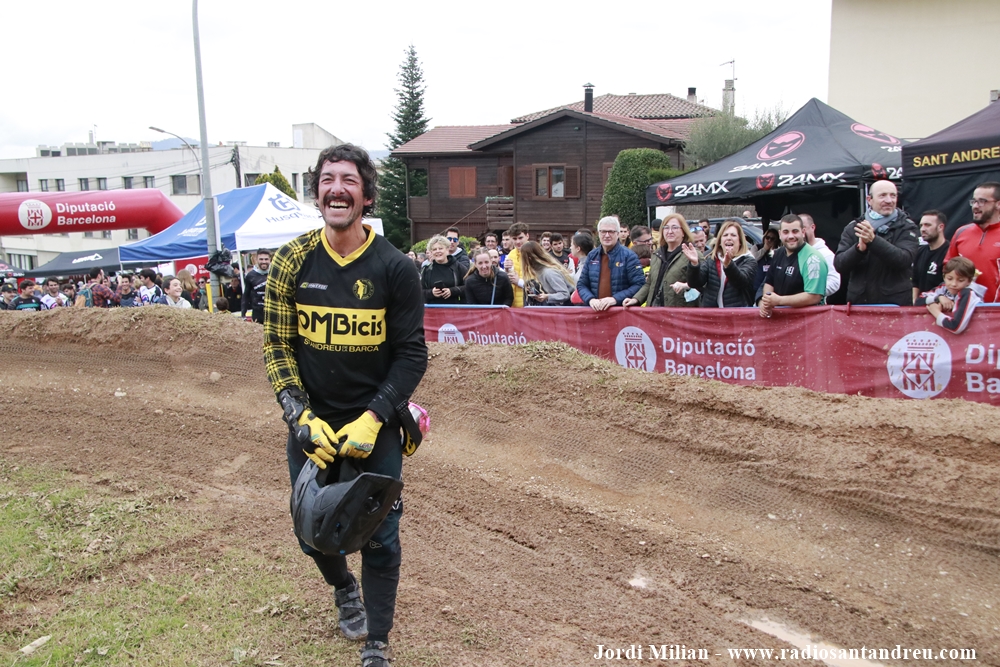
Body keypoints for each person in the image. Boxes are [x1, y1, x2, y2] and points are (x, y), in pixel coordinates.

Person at [264, 143, 427, 667]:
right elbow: (277, 344)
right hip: (313, 426)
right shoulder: (291, 260)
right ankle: (342, 588)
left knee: (381, 538)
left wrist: (375, 417)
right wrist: (298, 414)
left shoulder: (395, 267)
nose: (337, 189)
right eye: (328, 179)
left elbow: (412, 355)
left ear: (366, 195)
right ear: (317, 193)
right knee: (312, 532)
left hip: (374, 426)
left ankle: (377, 642)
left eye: (349, 180)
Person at [833, 180, 918, 305]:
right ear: (869, 200)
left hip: (895, 305)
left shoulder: (907, 227)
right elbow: (839, 265)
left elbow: (904, 260)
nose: (889, 200)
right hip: (860, 304)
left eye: (893, 195)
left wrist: (873, 241)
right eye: (882, 195)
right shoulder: (853, 227)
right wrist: (858, 250)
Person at [759, 214, 828, 318]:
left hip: (808, 321)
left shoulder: (813, 259)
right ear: (780, 234)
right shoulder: (778, 253)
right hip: (781, 321)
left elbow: (814, 296)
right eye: (786, 232)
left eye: (795, 231)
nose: (791, 236)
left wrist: (779, 300)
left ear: (803, 232)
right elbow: (769, 282)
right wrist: (767, 302)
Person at [624, 213, 697, 308]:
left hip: (679, 311)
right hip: (654, 311)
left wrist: (686, 285)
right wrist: (636, 299)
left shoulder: (692, 254)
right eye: (666, 228)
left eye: (674, 227)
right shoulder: (656, 254)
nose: (670, 231)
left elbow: (701, 284)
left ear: (683, 232)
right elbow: (650, 283)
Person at [945, 182, 1000, 303]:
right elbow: (948, 268)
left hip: (996, 309)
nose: (975, 206)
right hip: (964, 308)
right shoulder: (961, 232)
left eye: (982, 201)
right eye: (974, 201)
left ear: (998, 204)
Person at [684, 219, 758, 307]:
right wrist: (694, 264)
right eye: (725, 235)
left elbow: (741, 282)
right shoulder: (711, 259)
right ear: (720, 241)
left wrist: (729, 265)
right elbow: (695, 283)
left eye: (733, 235)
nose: (729, 238)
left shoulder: (749, 260)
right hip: (713, 314)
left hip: (736, 314)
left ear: (740, 242)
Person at [578, 216, 645, 311]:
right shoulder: (592, 256)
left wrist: (615, 299)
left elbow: (639, 284)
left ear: (617, 234)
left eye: (611, 232)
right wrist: (590, 299)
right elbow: (582, 284)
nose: (607, 235)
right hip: (595, 312)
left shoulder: (629, 256)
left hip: (620, 312)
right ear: (598, 233)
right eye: (603, 231)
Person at [922, 257, 984, 334]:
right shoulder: (943, 288)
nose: (954, 284)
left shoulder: (968, 293)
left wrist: (936, 312)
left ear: (969, 281)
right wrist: (938, 298)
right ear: (944, 277)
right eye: (950, 279)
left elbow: (956, 327)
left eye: (960, 280)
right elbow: (918, 301)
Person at [513, 241, 575, 306]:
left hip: (562, 308)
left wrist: (547, 297)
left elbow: (565, 294)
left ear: (529, 258)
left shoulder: (549, 272)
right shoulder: (538, 271)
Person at [912, 210, 950, 305]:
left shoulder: (950, 252)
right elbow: (915, 282)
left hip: (942, 306)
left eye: (927, 225)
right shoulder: (920, 251)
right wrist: (914, 301)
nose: (922, 229)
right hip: (921, 305)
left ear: (940, 227)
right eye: (921, 225)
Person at [799, 213, 841, 298]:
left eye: (803, 228)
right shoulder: (790, 253)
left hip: (815, 304)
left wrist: (813, 292)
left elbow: (834, 282)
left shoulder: (826, 254)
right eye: (797, 230)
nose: (801, 233)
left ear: (812, 227)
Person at [420, 234, 465, 304]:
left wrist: (452, 291)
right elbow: (419, 291)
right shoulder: (426, 270)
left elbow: (468, 287)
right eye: (434, 249)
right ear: (431, 252)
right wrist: (431, 292)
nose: (438, 251)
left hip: (454, 308)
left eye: (440, 248)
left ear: (447, 249)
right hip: (432, 308)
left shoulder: (458, 267)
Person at [502, 222, 531, 307]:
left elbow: (539, 284)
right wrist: (506, 271)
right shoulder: (511, 254)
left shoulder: (534, 254)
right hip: (513, 304)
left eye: (520, 238)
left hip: (529, 304)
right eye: (514, 239)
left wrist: (519, 282)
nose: (518, 242)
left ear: (527, 236)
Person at [243, 249, 271, 322]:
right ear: (256, 260)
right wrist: (243, 314)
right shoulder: (250, 276)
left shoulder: (276, 273)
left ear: (270, 260)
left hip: (273, 313)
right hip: (258, 314)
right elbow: (246, 296)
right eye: (261, 259)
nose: (264, 261)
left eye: (266, 259)